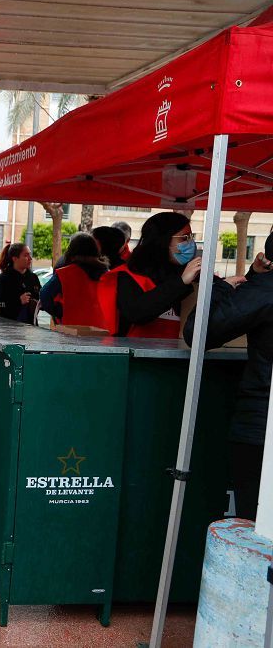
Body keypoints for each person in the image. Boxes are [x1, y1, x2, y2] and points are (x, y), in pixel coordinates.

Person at [185, 237, 269, 521]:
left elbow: (200, 333)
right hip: (261, 422)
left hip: (263, 426)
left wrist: (220, 288)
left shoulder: (265, 290)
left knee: (258, 529)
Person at [97, 212, 201, 338]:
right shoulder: (127, 276)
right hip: (137, 354)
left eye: (191, 237)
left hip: (178, 354)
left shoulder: (186, 274)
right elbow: (137, 313)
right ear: (163, 240)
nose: (190, 243)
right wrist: (181, 282)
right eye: (184, 238)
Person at [39, 232, 109, 328]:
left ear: (72, 251)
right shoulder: (108, 274)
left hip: (72, 330)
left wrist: (58, 311)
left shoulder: (65, 273)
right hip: (103, 329)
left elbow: (45, 294)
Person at [0, 242, 40, 324]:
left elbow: (39, 298)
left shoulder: (33, 277)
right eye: (25, 255)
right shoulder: (1, 280)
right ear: (14, 258)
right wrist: (18, 301)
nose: (30, 258)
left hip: (30, 328)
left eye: (30, 255)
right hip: (7, 328)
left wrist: (37, 303)